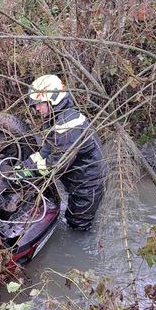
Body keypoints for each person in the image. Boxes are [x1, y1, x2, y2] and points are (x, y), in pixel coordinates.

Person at [15, 74, 105, 231]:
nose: (36, 108)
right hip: (81, 179)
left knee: (77, 226)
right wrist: (24, 166)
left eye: (39, 103)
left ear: (53, 99)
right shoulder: (60, 118)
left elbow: (54, 166)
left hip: (87, 186)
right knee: (73, 217)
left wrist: (28, 173)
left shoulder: (67, 127)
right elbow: (46, 152)